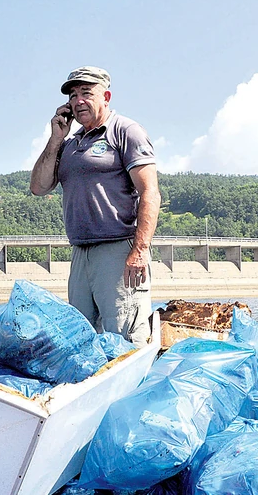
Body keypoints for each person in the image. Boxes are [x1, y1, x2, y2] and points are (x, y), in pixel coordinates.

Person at [30, 66, 161, 346]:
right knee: (81, 340)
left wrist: (139, 251)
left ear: (106, 97)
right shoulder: (70, 144)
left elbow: (150, 193)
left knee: (125, 339)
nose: (78, 101)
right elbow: (39, 187)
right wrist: (55, 140)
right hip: (81, 254)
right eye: (73, 95)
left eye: (86, 93)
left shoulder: (125, 131)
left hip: (118, 252)